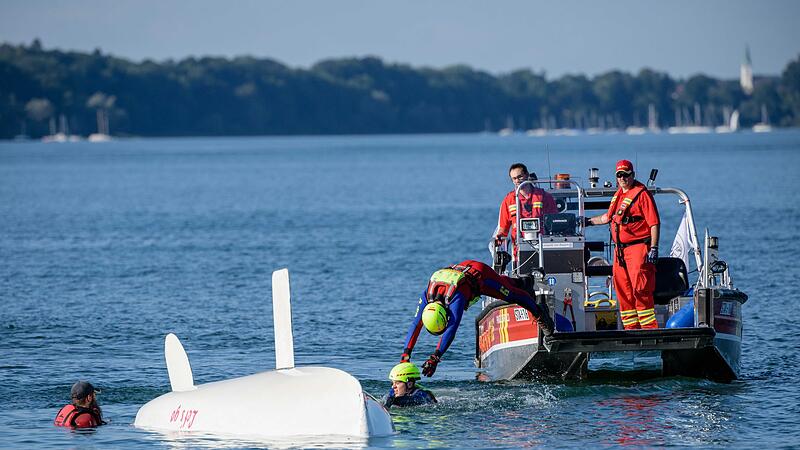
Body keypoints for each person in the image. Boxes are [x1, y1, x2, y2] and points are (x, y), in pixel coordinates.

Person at [399, 259, 555, 377]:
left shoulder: (455, 298)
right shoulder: (427, 296)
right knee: (504, 284)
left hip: (481, 276)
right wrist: (406, 354)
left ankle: (539, 312)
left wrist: (435, 357)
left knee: (511, 295)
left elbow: (451, 329)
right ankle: (523, 281)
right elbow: (415, 325)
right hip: (463, 268)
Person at [584, 160, 660, 329]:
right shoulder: (619, 195)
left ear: (632, 175)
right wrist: (586, 222)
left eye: (626, 174)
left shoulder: (642, 194)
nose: (623, 178)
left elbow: (654, 223)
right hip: (620, 252)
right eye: (619, 175)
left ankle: (649, 330)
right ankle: (630, 329)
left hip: (638, 248)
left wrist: (654, 248)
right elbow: (607, 218)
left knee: (641, 289)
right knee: (623, 291)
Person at [493, 163, 559, 254]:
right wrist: (499, 237)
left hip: (544, 247)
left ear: (527, 175)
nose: (517, 181)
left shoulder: (544, 197)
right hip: (518, 249)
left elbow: (555, 222)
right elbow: (503, 228)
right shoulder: (509, 200)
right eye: (514, 178)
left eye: (520, 177)